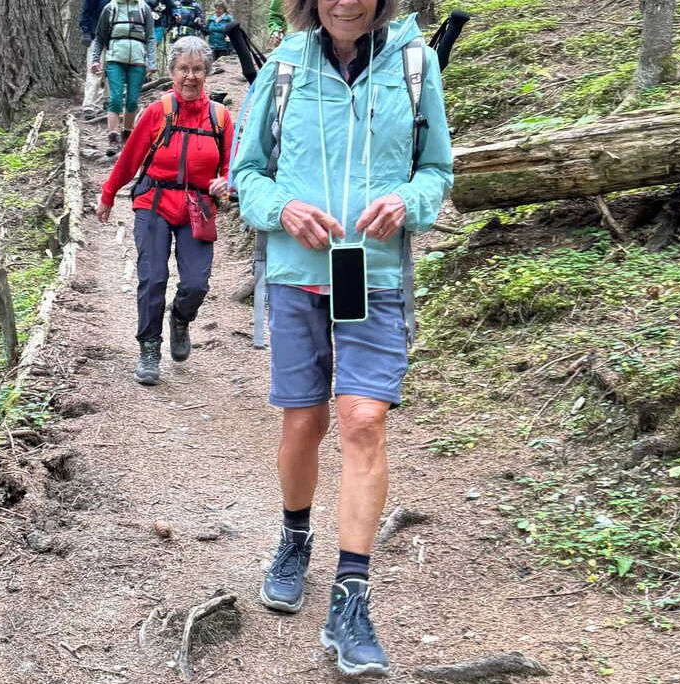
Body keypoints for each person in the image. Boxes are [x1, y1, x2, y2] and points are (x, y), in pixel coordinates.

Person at [232, 0, 453, 677]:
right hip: (298, 274)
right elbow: (248, 174)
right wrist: (283, 209)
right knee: (304, 422)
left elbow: (437, 171)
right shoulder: (285, 68)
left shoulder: (414, 66)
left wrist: (408, 203)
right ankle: (295, 536)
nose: (346, 2)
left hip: (374, 276)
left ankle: (351, 599)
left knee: (362, 421)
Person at [96, 36, 234, 386]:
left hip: (198, 207)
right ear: (172, 72)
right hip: (154, 202)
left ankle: (180, 319)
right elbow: (130, 159)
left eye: (198, 69)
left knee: (196, 283)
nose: (190, 77)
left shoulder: (220, 118)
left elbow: (233, 167)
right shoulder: (158, 111)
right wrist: (108, 194)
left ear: (207, 73)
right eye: (184, 69)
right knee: (153, 276)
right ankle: (149, 348)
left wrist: (226, 183)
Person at [93, 0, 158, 154]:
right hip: (114, 60)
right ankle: (113, 138)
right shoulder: (110, 8)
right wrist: (95, 59)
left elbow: (150, 37)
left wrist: (152, 62)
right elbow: (99, 38)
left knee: (132, 100)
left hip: (138, 61)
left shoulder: (144, 8)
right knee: (115, 98)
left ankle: (127, 136)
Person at [80, 0, 112, 119]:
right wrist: (86, 31)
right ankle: (90, 105)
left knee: (112, 71)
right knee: (95, 70)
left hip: (116, 39)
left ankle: (109, 102)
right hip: (96, 35)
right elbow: (86, 11)